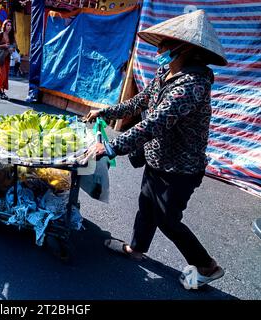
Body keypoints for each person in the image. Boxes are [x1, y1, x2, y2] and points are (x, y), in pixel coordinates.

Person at [84, 10, 228, 289]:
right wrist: (104, 110)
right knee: (146, 206)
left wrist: (112, 147)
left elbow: (154, 124)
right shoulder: (165, 73)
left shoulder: (193, 85)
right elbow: (137, 104)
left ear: (183, 48)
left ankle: (207, 266)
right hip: (157, 159)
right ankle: (137, 249)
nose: (159, 48)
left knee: (168, 219)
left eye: (164, 43)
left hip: (181, 167)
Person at [0, 19, 16, 100]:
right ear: (4, 26)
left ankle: (2, 90)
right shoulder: (0, 34)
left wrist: (13, 48)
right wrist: (4, 46)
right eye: (7, 25)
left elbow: (14, 46)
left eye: (10, 25)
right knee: (2, 73)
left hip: (7, 57)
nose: (9, 27)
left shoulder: (11, 36)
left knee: (5, 75)